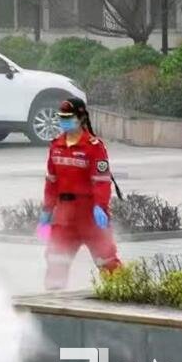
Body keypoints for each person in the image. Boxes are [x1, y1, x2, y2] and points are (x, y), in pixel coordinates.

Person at [37, 97, 122, 289]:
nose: (64, 121)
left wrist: (100, 207)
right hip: (63, 214)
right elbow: (51, 182)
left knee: (106, 260)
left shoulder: (94, 147)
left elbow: (101, 182)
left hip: (89, 214)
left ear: (81, 117)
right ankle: (54, 300)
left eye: (69, 117)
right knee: (55, 259)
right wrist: (47, 211)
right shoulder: (56, 146)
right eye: (62, 117)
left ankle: (125, 294)